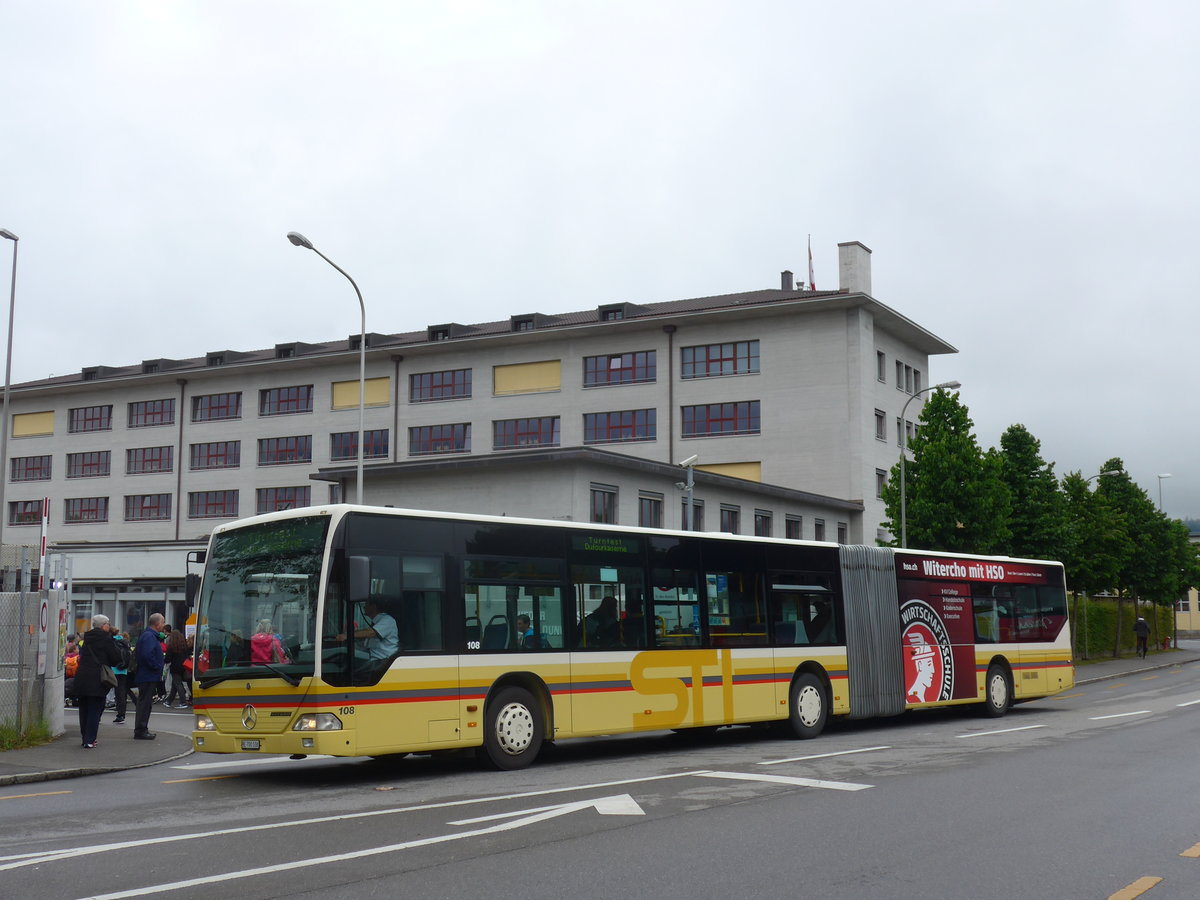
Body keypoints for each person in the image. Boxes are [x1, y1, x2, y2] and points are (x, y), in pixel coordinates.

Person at [75, 614, 123, 749]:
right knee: (95, 709)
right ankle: (90, 740)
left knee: (84, 709)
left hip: (82, 676)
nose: (109, 626)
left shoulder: (85, 637)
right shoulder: (106, 639)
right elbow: (115, 658)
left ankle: (85, 737)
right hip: (97, 678)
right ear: (104, 625)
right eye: (108, 623)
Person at [133, 613, 166, 740]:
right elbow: (147, 656)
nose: (163, 625)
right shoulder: (149, 637)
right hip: (148, 675)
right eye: (162, 622)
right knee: (145, 704)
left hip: (147, 674)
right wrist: (157, 666)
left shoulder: (149, 636)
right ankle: (141, 729)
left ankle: (142, 729)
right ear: (157, 624)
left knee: (145, 703)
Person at [164, 626, 191, 708]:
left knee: (178, 684)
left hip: (175, 667)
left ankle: (183, 702)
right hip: (184, 666)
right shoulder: (184, 645)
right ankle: (169, 701)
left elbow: (168, 658)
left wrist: (164, 660)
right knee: (175, 685)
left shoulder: (171, 646)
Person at [111, 631, 133, 724]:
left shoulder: (111, 642)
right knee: (121, 692)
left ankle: (98, 715)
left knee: (104, 691)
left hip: (112, 669)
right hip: (123, 670)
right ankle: (121, 714)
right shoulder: (125, 642)